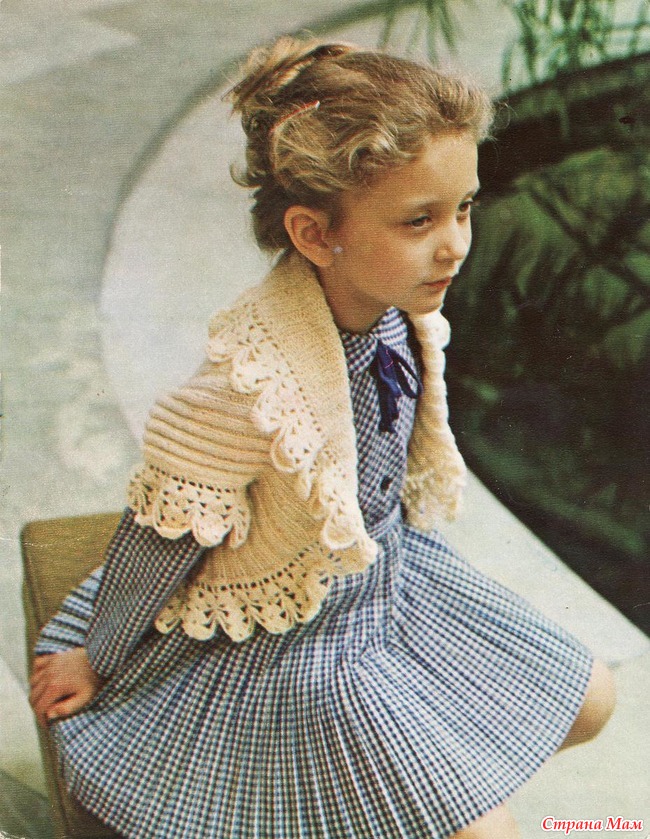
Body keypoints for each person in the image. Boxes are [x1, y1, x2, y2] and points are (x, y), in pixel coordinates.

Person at [29, 36, 615, 839]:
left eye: (464, 207)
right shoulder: (249, 383)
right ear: (313, 234)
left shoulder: (398, 315)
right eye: (419, 220)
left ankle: (397, 794)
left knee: (590, 697)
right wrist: (97, 654)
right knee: (488, 832)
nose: (455, 243)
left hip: (386, 581)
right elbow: (163, 531)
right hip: (292, 643)